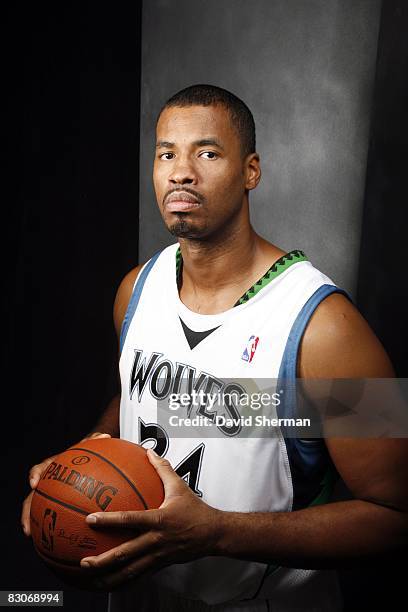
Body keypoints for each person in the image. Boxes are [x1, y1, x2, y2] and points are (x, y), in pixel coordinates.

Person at [21, 84, 408, 611]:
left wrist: (217, 532)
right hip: (139, 597)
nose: (181, 172)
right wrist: (81, 459)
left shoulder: (327, 327)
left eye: (206, 153)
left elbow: (393, 513)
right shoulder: (136, 290)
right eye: (166, 154)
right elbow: (134, 401)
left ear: (251, 171)